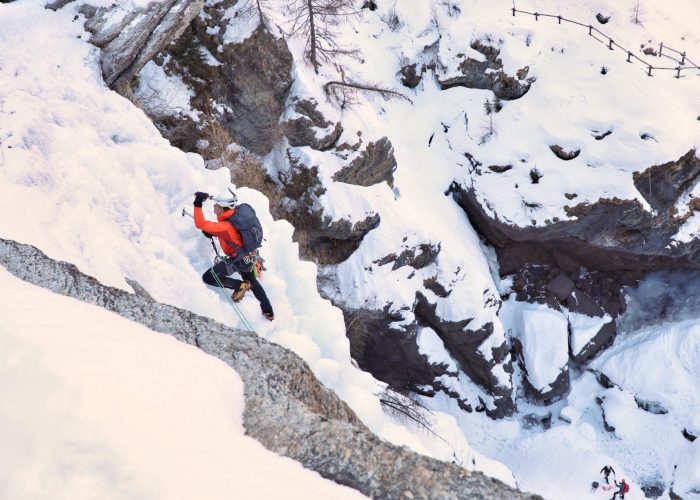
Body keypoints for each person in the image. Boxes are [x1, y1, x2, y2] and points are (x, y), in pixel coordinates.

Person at [193, 191, 274, 321]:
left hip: (238, 260)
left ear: (224, 208)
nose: (214, 208)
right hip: (247, 257)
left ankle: (239, 286)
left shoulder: (225, 225)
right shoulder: (236, 218)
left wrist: (197, 203)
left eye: (216, 206)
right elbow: (232, 235)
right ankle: (268, 311)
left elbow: (200, 224)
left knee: (209, 277)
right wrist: (214, 233)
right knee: (253, 282)